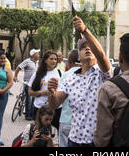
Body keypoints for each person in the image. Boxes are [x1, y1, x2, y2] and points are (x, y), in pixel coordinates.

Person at [47, 16, 113, 147]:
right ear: (78, 56)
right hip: (74, 140)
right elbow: (54, 104)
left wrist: (84, 30)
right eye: (83, 47)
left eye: (91, 47)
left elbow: (101, 55)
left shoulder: (102, 73)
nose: (88, 49)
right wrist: (51, 91)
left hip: (96, 142)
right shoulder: (70, 78)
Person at [28, 50, 62, 130]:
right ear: (45, 60)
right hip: (40, 107)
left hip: (55, 109)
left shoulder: (60, 73)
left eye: (55, 59)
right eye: (51, 59)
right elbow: (30, 92)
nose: (54, 61)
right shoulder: (37, 74)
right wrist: (44, 92)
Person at [58, 49, 81, 147]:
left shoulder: (66, 75)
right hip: (81, 123)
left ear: (70, 62)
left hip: (66, 120)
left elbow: (58, 100)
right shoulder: (87, 74)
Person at [14, 48, 40, 120]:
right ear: (33, 55)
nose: (39, 55)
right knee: (29, 100)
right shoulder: (27, 61)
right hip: (27, 83)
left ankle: (32, 114)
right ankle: (28, 115)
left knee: (33, 100)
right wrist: (15, 76)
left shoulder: (36, 62)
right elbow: (18, 67)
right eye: (37, 54)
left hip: (34, 84)